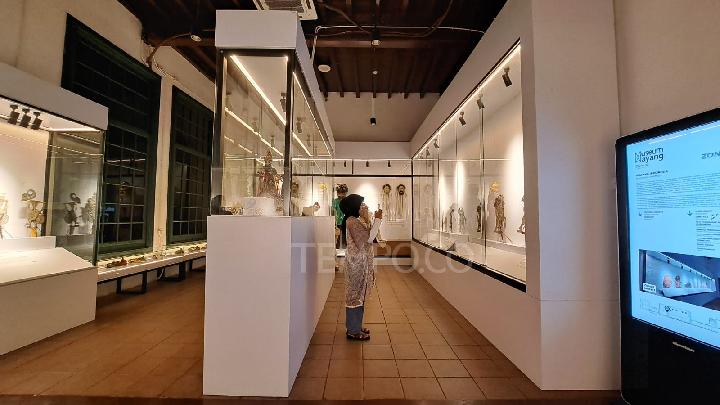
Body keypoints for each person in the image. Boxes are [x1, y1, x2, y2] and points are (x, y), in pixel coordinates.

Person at [340, 194, 382, 341]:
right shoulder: (352, 222)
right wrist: (378, 219)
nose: (364, 206)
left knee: (360, 295)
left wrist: (369, 219)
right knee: (355, 296)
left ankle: (356, 326)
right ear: (354, 206)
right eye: (362, 204)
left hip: (360, 264)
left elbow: (369, 235)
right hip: (356, 264)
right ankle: (353, 330)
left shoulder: (355, 220)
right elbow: (369, 238)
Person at [333, 184, 348, 248]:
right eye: (339, 193)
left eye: (343, 193)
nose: (341, 195)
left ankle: (345, 249)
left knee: (345, 237)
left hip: (345, 221)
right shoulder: (335, 201)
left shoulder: (347, 200)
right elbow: (333, 211)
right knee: (337, 237)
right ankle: (337, 249)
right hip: (338, 221)